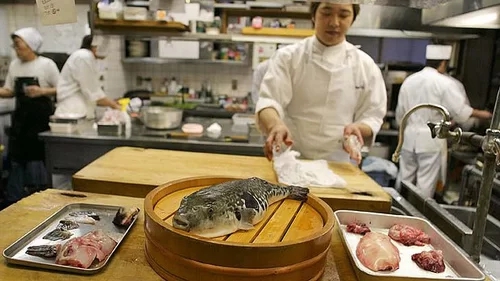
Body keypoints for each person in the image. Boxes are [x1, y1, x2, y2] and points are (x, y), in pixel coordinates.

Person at [255, 2, 387, 163]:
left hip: (340, 163)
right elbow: (269, 101)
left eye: (344, 15)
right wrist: (275, 125)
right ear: (313, 15)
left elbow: (373, 115)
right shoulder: (288, 57)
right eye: (326, 13)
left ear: (353, 19)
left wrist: (359, 128)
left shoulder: (366, 66)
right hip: (290, 158)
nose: (334, 22)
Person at [395, 44, 492, 198]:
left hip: (408, 137)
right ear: (443, 63)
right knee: (425, 185)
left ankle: (398, 211)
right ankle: (418, 217)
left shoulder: (409, 81)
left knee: (404, 179)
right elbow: (461, 112)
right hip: (431, 137)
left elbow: (400, 115)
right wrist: (486, 115)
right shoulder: (444, 83)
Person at [0, 27, 60, 205]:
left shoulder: (46, 64)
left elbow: (62, 88)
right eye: (15, 46)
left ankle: (45, 198)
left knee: (41, 159)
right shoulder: (14, 65)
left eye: (19, 45)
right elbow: (9, 91)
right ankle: (15, 201)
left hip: (41, 119)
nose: (16, 49)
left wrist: (41, 90)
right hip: (21, 120)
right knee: (17, 160)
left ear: (31, 45)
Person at [55, 34, 120, 119]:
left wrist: (111, 102)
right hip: (72, 113)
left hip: (78, 111)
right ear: (94, 46)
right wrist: (115, 106)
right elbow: (92, 92)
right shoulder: (84, 57)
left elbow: (92, 92)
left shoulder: (86, 57)